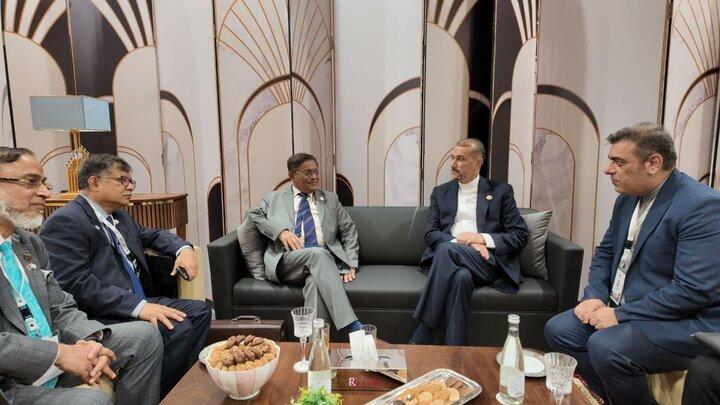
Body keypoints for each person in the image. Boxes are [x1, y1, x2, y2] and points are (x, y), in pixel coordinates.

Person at [544, 123, 720, 405]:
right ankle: (605, 398)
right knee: (559, 329)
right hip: (629, 308)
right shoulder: (627, 199)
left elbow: (692, 290)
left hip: (684, 320)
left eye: (619, 162)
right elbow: (606, 251)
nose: (608, 169)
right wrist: (595, 296)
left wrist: (621, 314)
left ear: (653, 163)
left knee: (607, 347)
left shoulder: (702, 206)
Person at [38, 153, 211, 396]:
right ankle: (164, 395)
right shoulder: (66, 221)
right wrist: (139, 307)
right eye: (122, 180)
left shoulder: (118, 215)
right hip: (103, 312)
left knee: (201, 312)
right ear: (94, 182)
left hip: (136, 299)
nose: (130, 187)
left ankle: (177, 387)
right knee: (178, 328)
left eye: (131, 181)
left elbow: (152, 235)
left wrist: (184, 249)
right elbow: (76, 284)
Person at [0, 147, 162, 404]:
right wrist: (58, 354)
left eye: (43, 183)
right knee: (92, 401)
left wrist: (92, 340)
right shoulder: (67, 221)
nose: (45, 193)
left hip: (55, 353)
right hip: (10, 381)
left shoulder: (30, 243)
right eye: (31, 182)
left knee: (145, 336)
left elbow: (60, 307)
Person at [411, 138, 528, 345]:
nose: (453, 164)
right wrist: (463, 242)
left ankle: (424, 329)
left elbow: (519, 235)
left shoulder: (501, 192)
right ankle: (455, 352)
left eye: (460, 159)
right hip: (454, 260)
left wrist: (481, 238)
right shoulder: (440, 192)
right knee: (461, 278)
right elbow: (430, 233)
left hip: (486, 262)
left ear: (477, 163)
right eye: (452, 158)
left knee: (446, 251)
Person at [247, 153, 363, 332]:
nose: (314, 177)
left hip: (321, 263)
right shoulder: (274, 198)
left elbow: (349, 230)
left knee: (315, 283)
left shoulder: (331, 199)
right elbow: (252, 215)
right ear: (292, 176)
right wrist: (280, 232)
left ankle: (315, 342)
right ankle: (352, 326)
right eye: (308, 173)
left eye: (316, 171)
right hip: (288, 260)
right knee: (318, 254)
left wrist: (352, 264)